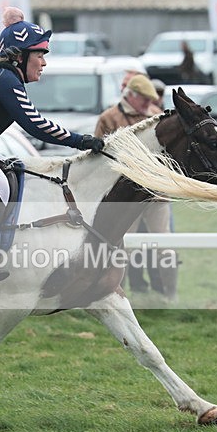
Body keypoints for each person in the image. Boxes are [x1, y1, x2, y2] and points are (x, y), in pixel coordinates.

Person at [0, 7, 105, 286]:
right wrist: (79, 140)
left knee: (19, 173)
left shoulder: (4, 76)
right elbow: (35, 124)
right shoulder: (4, 78)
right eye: (40, 55)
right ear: (20, 56)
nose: (44, 63)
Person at [94, 75, 175, 299]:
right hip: (125, 198)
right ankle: (118, 292)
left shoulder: (155, 117)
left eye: (151, 100)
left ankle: (169, 293)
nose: (150, 105)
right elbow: (100, 157)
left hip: (156, 195)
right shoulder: (109, 118)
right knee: (124, 245)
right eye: (145, 100)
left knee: (164, 244)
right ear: (132, 96)